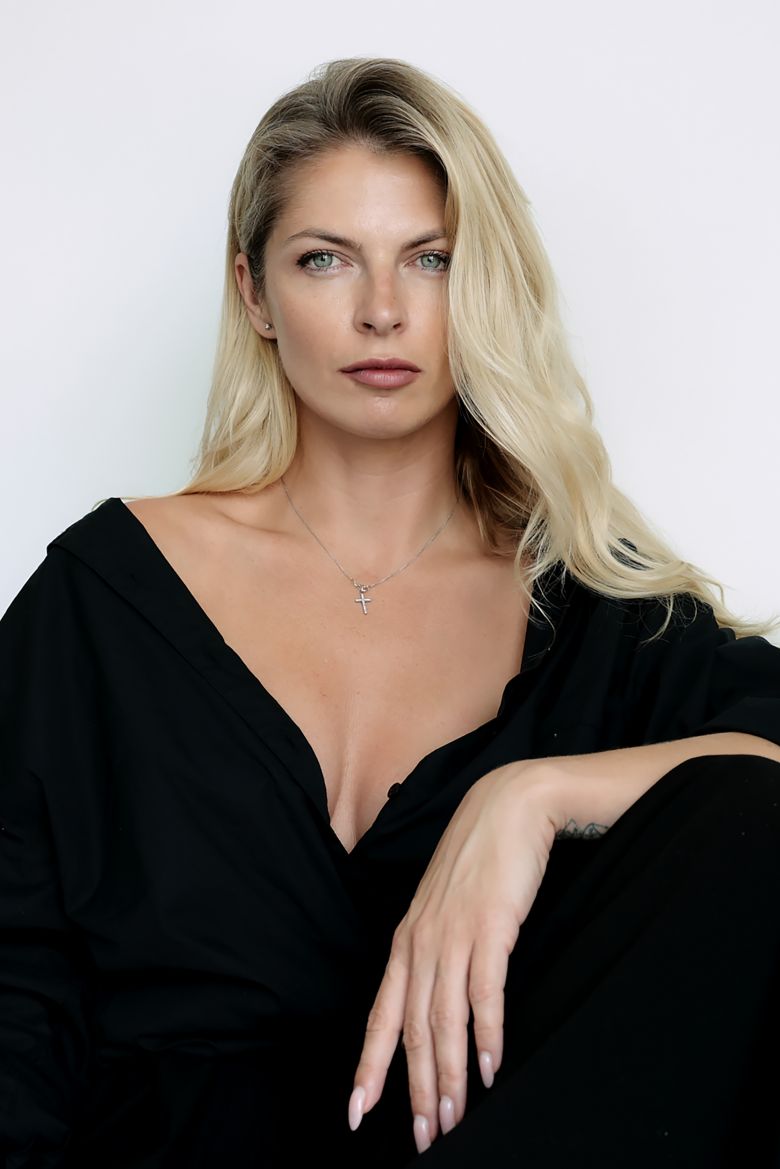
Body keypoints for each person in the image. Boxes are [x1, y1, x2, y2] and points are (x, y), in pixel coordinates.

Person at [2, 55, 780, 1169]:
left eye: (432, 258)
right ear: (254, 294)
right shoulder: (105, 600)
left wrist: (534, 795)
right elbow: (16, 992)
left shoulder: (595, 612)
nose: (381, 310)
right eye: (325, 259)